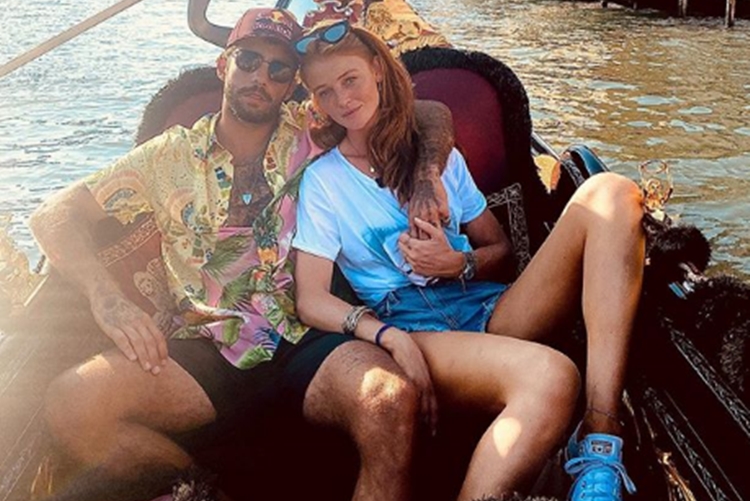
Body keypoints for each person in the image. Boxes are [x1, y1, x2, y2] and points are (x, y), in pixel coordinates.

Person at [29, 8, 453, 501]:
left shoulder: (312, 129)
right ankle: (200, 486)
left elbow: (428, 113)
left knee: (389, 399)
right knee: (71, 403)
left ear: (290, 85)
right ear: (223, 66)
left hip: (305, 336)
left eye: (278, 69)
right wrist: (106, 298)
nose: (261, 78)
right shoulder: (168, 155)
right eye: (249, 61)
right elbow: (54, 215)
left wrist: (427, 176)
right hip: (204, 351)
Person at [292, 20, 644, 501]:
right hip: (413, 325)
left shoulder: (441, 160)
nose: (342, 100)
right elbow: (310, 299)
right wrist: (385, 334)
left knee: (612, 192)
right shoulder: (323, 181)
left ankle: (600, 439)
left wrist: (457, 264)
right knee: (553, 377)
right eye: (324, 92)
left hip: (483, 302)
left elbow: (500, 252)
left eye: (349, 79)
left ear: (377, 69)